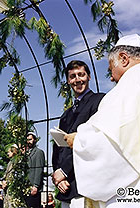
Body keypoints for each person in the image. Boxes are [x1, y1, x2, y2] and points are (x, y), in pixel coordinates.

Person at [66, 34, 140, 208]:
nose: (111, 77)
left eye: (111, 68)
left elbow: (108, 144)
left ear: (124, 58)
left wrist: (79, 141)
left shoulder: (130, 83)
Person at [51, 60, 105, 208]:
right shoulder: (66, 114)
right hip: (65, 187)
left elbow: (93, 142)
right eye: (73, 76)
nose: (77, 80)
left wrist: (64, 171)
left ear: (89, 77)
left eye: (81, 75)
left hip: (85, 186)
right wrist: (57, 175)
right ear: (68, 81)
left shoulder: (99, 101)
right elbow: (58, 148)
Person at [25, 132, 46, 208]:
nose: (28, 142)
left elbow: (39, 169)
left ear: (35, 140)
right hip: (26, 188)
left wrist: (36, 186)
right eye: (27, 140)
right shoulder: (26, 154)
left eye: (30, 139)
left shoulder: (39, 152)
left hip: (34, 188)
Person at [2, 144, 19, 208]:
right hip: (7, 188)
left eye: (9, 152)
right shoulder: (10, 162)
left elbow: (16, 175)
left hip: (12, 188)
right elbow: (6, 174)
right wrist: (3, 181)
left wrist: (8, 182)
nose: (8, 153)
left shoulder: (17, 161)